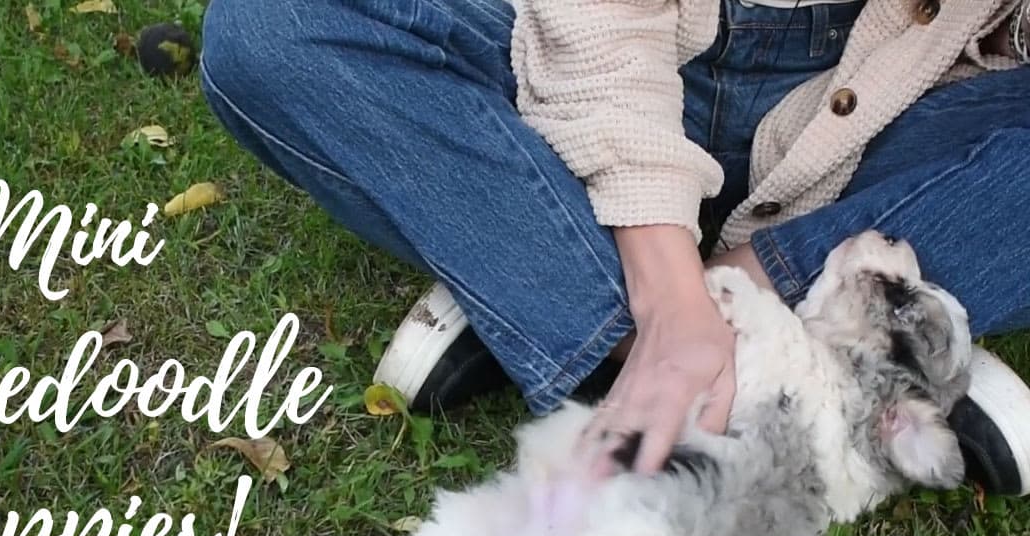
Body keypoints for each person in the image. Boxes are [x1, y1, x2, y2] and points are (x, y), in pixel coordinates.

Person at [198, 0, 1030, 496]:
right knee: (276, 26)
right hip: (601, 48)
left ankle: (529, 280)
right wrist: (668, 298)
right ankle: (841, 350)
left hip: (901, 91)